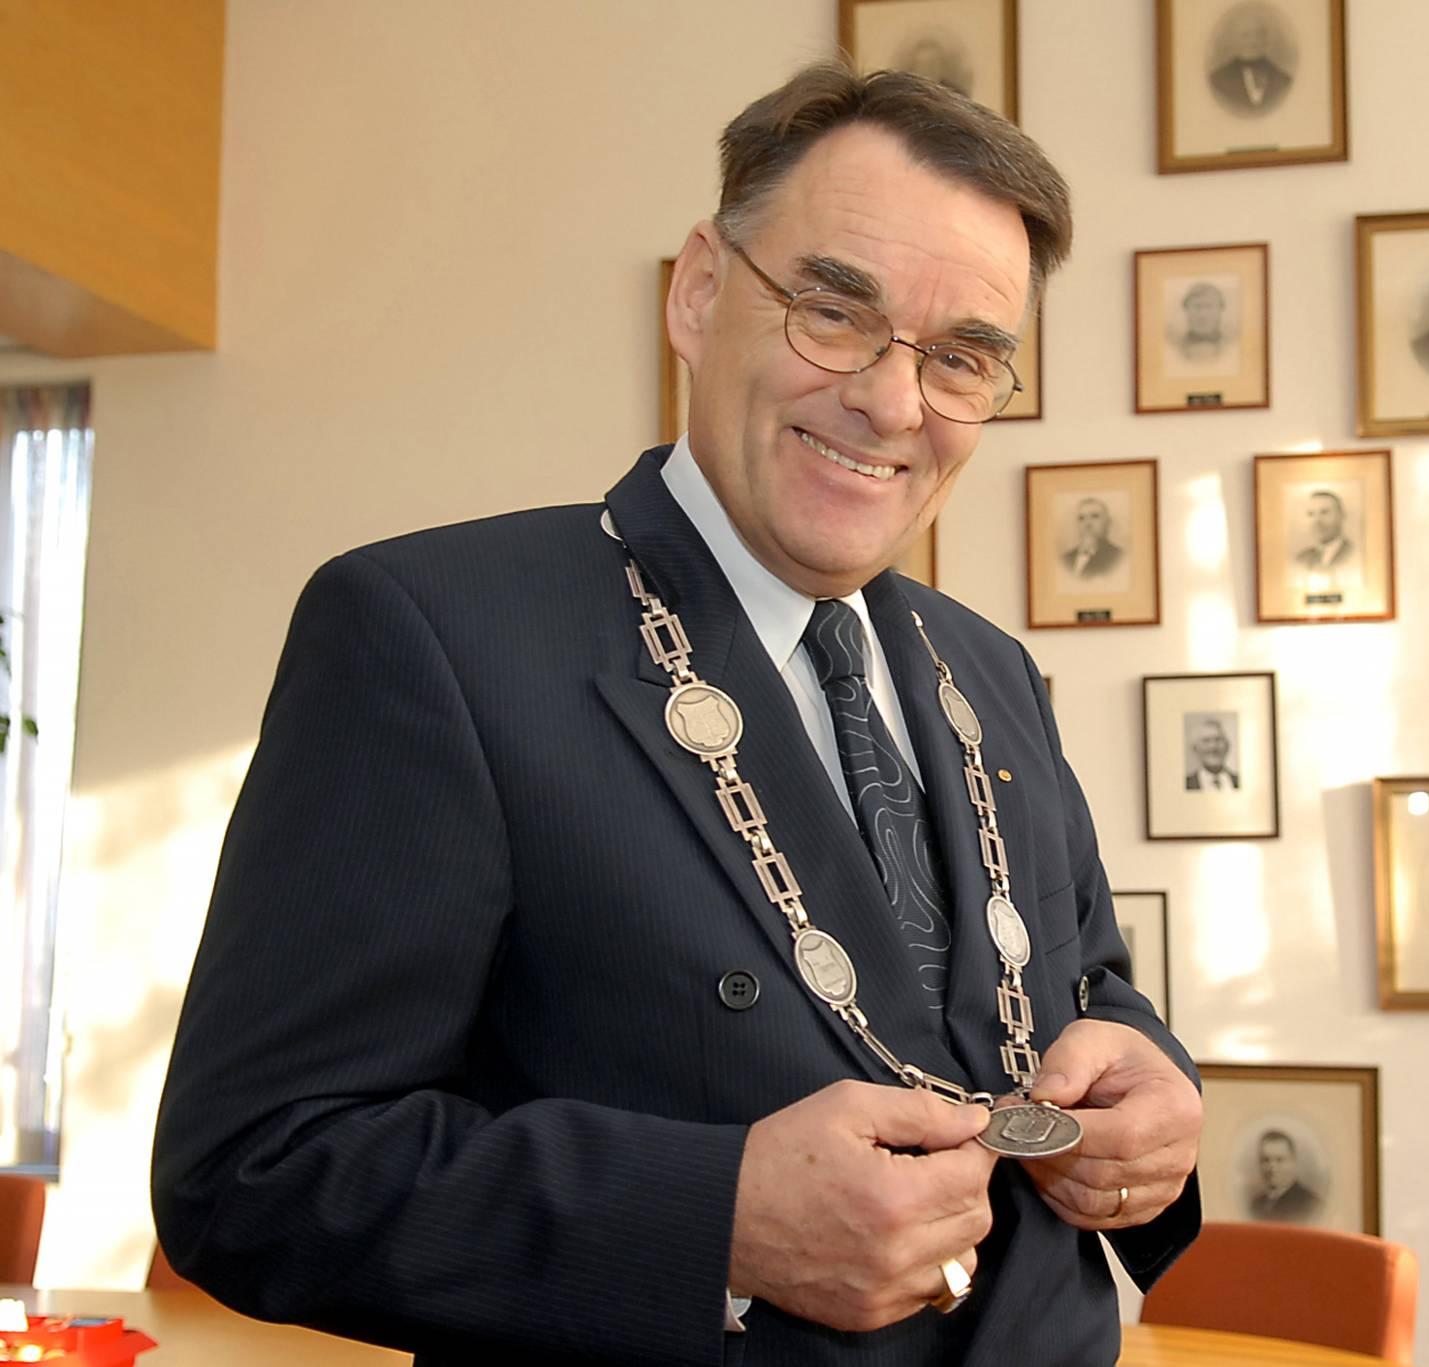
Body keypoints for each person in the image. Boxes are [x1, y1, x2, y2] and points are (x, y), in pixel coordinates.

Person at [151, 62, 1202, 1366]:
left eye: (962, 358)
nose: (891, 402)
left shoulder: (993, 670)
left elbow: (1076, 978)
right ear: (699, 291)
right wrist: (710, 1224)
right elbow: (251, 1170)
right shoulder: (430, 632)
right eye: (833, 312)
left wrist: (1151, 1082)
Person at [1207, 3, 1293, 115]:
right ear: (1235, 40)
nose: (1253, 42)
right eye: (1246, 35)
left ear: (1266, 40)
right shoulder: (1217, 80)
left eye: (1258, 35)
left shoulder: (1283, 80)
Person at [1246, 1129, 1323, 1223]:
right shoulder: (1255, 1204)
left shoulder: (1310, 1205)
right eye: (1266, 1160)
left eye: (1279, 1160)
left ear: (1293, 1162)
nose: (1272, 1168)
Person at [1059, 496, 1125, 580]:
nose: (1087, 524)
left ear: (1108, 523)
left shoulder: (1118, 558)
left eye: (1095, 516)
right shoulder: (1064, 559)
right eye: (1081, 518)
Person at [1292, 490, 1356, 575]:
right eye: (1311, 514)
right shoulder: (1302, 559)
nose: (1317, 521)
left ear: (1341, 515)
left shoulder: (1353, 554)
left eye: (1324, 512)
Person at [1170, 279, 1229, 367]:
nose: (1203, 315)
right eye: (1197, 307)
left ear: (1220, 310)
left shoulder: (1232, 347)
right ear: (1186, 310)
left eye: (1209, 306)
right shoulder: (1172, 349)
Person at [1184, 717, 1239, 791]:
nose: (1213, 747)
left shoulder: (1241, 781)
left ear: (1227, 746)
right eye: (1206, 741)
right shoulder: (1187, 784)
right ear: (1195, 748)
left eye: (1218, 740)